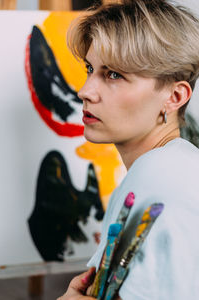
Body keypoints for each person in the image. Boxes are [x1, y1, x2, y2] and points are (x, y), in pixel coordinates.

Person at [57, 0, 199, 299]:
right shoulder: (176, 164)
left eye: (113, 75)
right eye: (90, 69)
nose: (84, 91)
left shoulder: (160, 183)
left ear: (175, 96)